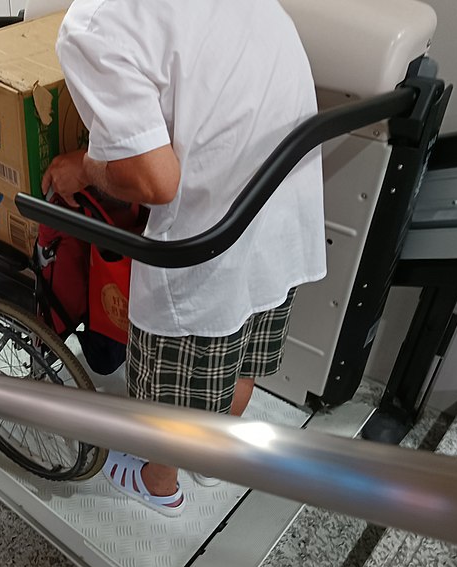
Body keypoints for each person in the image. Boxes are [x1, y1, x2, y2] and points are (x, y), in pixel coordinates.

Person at [41, 0, 326, 517]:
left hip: (210, 240)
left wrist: (83, 168)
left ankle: (158, 481)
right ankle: (214, 458)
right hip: (284, 208)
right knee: (246, 346)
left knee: (169, 386)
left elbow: (154, 181)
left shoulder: (92, 25)